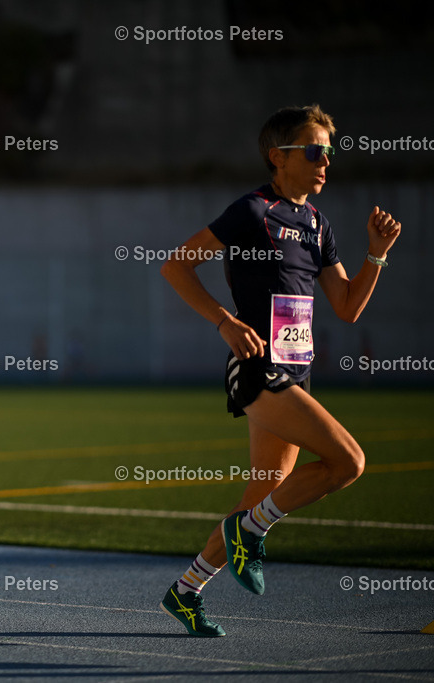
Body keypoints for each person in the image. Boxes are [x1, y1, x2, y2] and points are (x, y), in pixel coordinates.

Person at [158, 104, 401, 637]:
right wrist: (224, 321)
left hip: (298, 370)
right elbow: (176, 263)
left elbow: (347, 306)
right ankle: (253, 532)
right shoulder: (252, 212)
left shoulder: (317, 223)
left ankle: (187, 590)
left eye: (329, 153)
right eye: (314, 151)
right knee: (349, 462)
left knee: (256, 498)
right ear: (278, 156)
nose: (325, 163)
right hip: (258, 367)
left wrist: (376, 256)